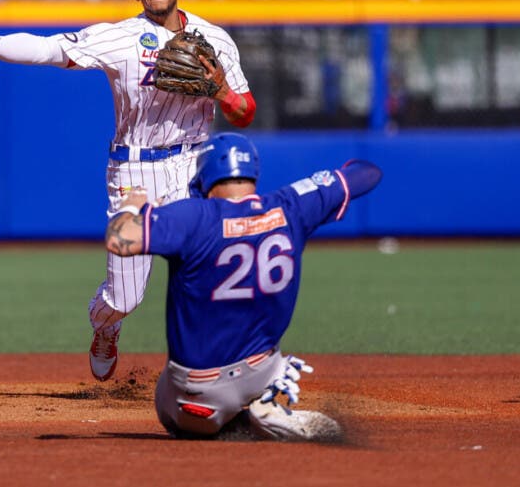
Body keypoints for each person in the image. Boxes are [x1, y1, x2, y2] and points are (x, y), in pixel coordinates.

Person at [0, 0, 256, 381]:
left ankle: (225, 365)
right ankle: (105, 326)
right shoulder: (120, 38)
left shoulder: (216, 40)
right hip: (135, 171)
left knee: (215, 268)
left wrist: (222, 91)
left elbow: (245, 112)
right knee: (125, 297)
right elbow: (50, 49)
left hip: (194, 166)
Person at [104, 132, 381, 441]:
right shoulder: (290, 205)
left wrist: (131, 207)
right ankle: (265, 400)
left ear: (205, 177)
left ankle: (222, 417)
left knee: (170, 409)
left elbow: (119, 238)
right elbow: (367, 173)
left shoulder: (193, 216)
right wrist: (330, 180)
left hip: (192, 394)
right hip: (258, 372)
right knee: (263, 349)